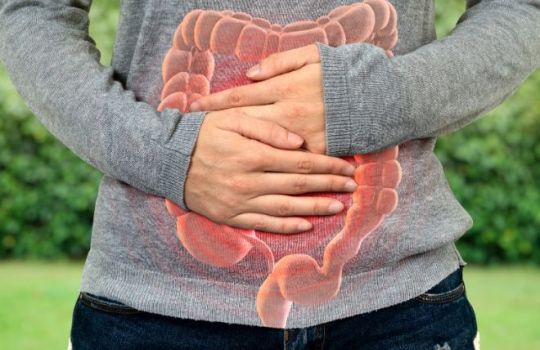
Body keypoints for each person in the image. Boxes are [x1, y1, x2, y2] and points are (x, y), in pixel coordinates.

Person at [0, 0, 538, 349]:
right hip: (153, 306)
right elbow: (32, 11)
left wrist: (374, 98)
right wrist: (169, 155)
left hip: (399, 307)